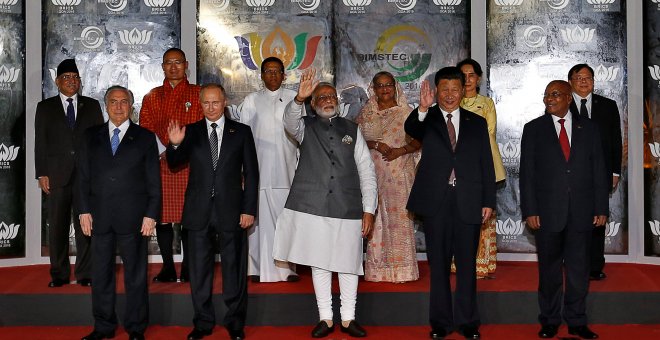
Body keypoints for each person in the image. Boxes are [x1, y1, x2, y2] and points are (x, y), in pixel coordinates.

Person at [272, 68, 377, 338]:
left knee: (348, 263)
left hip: (348, 207)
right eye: (321, 97)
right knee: (320, 263)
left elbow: (366, 170)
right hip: (313, 207)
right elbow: (289, 121)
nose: (327, 100)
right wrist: (298, 99)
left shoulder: (352, 129)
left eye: (331, 96)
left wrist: (369, 209)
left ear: (338, 102)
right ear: (313, 104)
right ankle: (326, 318)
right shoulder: (304, 126)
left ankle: (349, 318)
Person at [404, 67, 495, 340]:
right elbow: (411, 129)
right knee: (439, 266)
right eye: (444, 89)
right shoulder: (427, 118)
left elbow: (486, 165)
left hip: (468, 200)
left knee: (467, 266)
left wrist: (488, 199)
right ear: (436, 91)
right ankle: (441, 324)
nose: (449, 95)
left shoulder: (476, 122)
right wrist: (421, 107)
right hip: (437, 203)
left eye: (455, 89)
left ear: (464, 90)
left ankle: (468, 323)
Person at [166, 83, 258, 340]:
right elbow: (174, 164)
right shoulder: (191, 131)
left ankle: (235, 323)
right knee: (198, 271)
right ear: (200, 103)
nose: (210, 107)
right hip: (198, 212)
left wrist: (249, 209)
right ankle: (203, 322)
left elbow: (252, 174)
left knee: (234, 269)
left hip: (232, 211)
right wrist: (174, 145)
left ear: (225, 101)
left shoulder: (241, 132)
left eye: (215, 102)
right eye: (205, 103)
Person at [520, 80, 608, 340]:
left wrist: (601, 206)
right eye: (546, 95)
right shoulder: (533, 129)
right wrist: (530, 210)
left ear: (569, 97)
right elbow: (527, 174)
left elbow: (599, 171)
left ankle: (577, 321)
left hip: (582, 211)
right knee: (549, 270)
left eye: (555, 94)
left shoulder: (590, 129)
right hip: (547, 213)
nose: (549, 99)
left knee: (579, 270)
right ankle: (549, 320)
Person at [77, 86, 161, 340]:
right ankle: (103, 326)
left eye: (124, 102)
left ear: (131, 106)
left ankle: (135, 327)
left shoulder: (146, 138)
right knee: (101, 276)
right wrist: (83, 211)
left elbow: (153, 181)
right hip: (99, 217)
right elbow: (82, 178)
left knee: (135, 276)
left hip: (134, 219)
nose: (118, 106)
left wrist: (151, 214)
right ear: (106, 105)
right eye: (113, 102)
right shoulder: (90, 136)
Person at [34, 58, 104, 288]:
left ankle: (85, 273)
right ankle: (59, 274)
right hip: (56, 175)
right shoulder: (45, 107)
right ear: (57, 82)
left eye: (75, 78)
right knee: (57, 226)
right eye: (66, 78)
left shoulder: (92, 106)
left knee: (86, 225)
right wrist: (42, 173)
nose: (72, 81)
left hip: (86, 175)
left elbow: (99, 141)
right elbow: (40, 142)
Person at [140, 47, 203, 283]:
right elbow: (145, 128)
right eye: (168, 63)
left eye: (178, 62)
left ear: (186, 65)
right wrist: (167, 150)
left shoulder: (198, 94)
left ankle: (188, 267)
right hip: (161, 162)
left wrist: (182, 150)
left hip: (191, 163)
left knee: (190, 216)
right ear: (162, 67)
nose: (173, 67)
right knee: (163, 216)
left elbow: (202, 128)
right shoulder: (152, 96)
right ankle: (167, 266)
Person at [237, 57, 299, 282]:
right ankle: (255, 268)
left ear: (284, 75)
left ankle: (286, 269)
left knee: (285, 220)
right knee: (256, 220)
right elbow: (243, 137)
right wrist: (243, 170)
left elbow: (301, 137)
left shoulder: (295, 99)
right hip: (258, 169)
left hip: (287, 168)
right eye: (268, 71)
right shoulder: (252, 100)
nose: (272, 75)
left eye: (277, 71)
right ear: (261, 75)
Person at [356, 71, 420, 283]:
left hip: (399, 173)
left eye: (388, 85)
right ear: (373, 89)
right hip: (372, 176)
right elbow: (353, 142)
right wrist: (375, 144)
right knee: (377, 221)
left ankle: (403, 271)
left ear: (395, 87)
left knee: (400, 221)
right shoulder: (366, 113)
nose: (384, 89)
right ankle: (377, 272)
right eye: (380, 85)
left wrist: (398, 151)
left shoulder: (406, 113)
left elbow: (419, 142)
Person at [567, 63, 622, 281]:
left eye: (588, 77)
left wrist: (615, 171)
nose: (583, 81)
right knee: (569, 218)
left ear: (593, 82)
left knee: (598, 219)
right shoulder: (562, 103)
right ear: (570, 81)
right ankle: (570, 261)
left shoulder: (608, 106)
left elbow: (616, 141)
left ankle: (594, 266)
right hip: (570, 174)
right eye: (579, 77)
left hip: (600, 173)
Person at [454, 58, 506, 279]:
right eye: (463, 75)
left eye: (471, 75)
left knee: (482, 217)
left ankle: (481, 266)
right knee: (457, 217)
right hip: (455, 173)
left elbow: (488, 135)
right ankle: (457, 263)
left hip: (482, 168)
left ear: (478, 78)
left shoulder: (486, 104)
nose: (467, 80)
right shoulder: (450, 103)